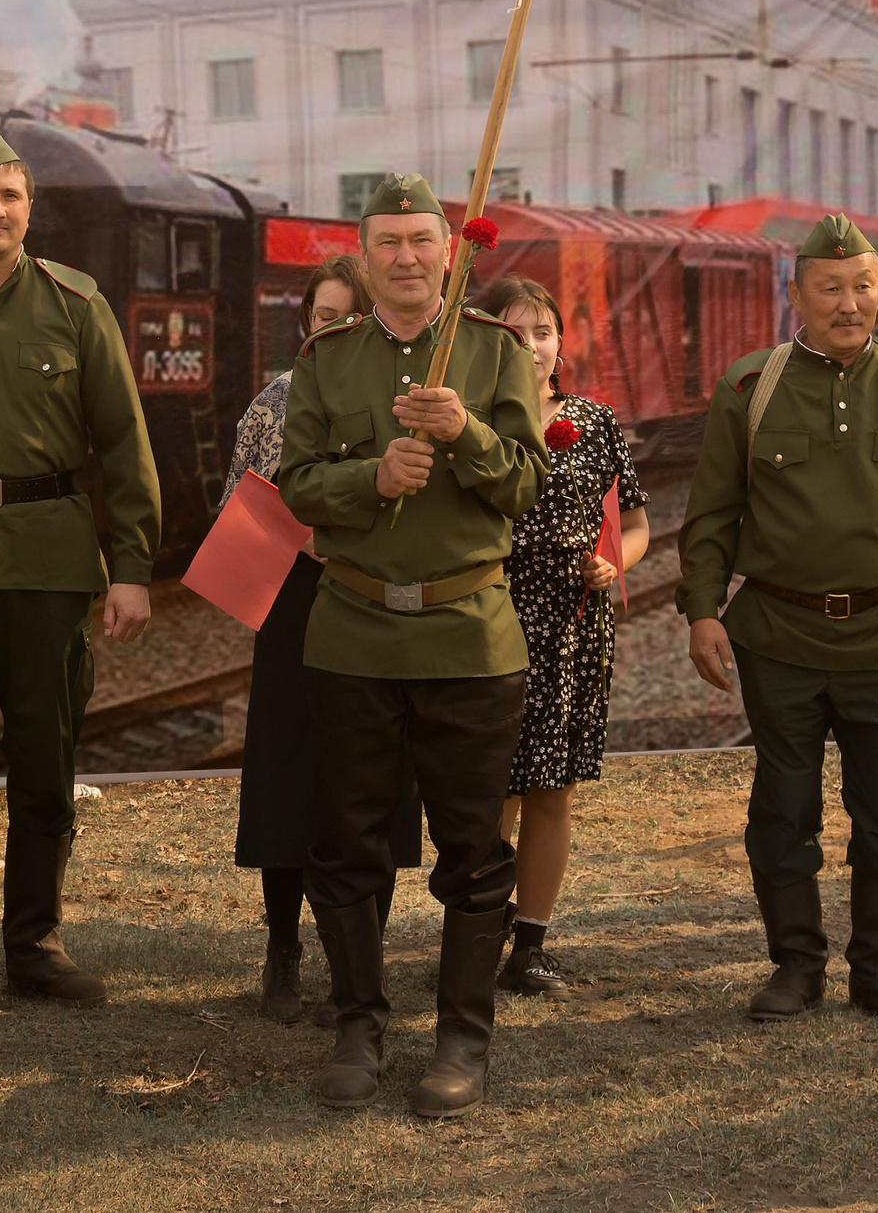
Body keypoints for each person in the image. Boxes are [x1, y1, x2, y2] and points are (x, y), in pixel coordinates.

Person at [678, 213, 878, 1025]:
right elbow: (712, 512)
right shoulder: (751, 388)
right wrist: (702, 611)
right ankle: (795, 965)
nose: (848, 304)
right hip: (778, 639)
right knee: (783, 807)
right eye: (830, 289)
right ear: (797, 295)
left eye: (862, 288)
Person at [279, 172, 548, 1119]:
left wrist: (465, 431)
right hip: (351, 634)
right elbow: (298, 485)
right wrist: (373, 477)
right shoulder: (329, 357)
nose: (403, 257)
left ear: (450, 250)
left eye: (420, 240)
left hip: (469, 640)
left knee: (474, 850)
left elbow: (524, 486)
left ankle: (461, 1039)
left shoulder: (492, 351)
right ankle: (358, 1023)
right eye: (385, 241)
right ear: (362, 253)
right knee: (347, 843)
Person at [0, 123, 162, 1008]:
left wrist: (130, 566)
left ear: (28, 209)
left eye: (10, 195)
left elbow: (122, 443)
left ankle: (35, 945)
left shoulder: (76, 305)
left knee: (47, 761)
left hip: (47, 555)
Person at [223, 255, 423, 1025]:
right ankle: (283, 951)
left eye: (348, 315)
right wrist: (313, 540)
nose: (332, 328)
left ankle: (364, 951)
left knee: (378, 779)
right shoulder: (276, 399)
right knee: (288, 779)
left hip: (382, 602)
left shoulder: (407, 395)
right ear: (305, 321)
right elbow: (240, 507)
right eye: (321, 315)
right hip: (298, 605)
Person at [474, 274, 650, 996]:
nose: (532, 346)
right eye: (514, 333)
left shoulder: (596, 422)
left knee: (552, 791)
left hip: (573, 628)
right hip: (485, 623)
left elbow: (636, 524)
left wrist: (616, 561)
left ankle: (531, 949)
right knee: (490, 794)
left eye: (542, 331)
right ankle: (478, 935)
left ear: (561, 343)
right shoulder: (468, 421)